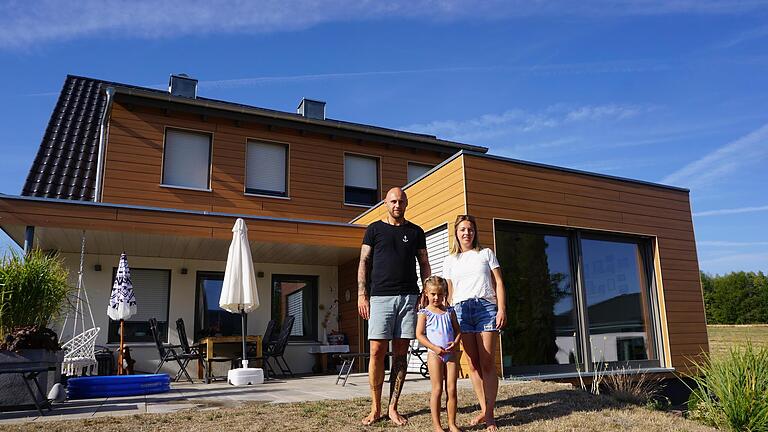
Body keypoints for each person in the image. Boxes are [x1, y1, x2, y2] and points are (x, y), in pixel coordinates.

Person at [358, 187, 430, 426]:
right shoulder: (374, 230)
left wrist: (425, 292)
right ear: (385, 204)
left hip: (409, 298)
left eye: (401, 201)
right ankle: (375, 407)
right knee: (377, 351)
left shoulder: (416, 231)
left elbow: (424, 263)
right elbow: (364, 262)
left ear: (406, 203)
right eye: (393, 201)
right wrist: (362, 294)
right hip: (380, 298)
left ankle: (393, 407)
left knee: (401, 354)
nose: (397, 205)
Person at [443, 214, 506, 432]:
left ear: (474, 232)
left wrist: (501, 309)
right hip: (461, 311)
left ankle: (489, 415)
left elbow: (498, 282)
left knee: (487, 362)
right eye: (462, 229)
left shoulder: (486, 253)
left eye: (470, 229)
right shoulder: (450, 260)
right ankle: (483, 409)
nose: (466, 233)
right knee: (473, 364)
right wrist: (446, 316)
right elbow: (449, 293)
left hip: (486, 309)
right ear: (456, 233)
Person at [416, 276, 462, 432]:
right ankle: (437, 425)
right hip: (434, 355)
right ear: (426, 293)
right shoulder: (425, 313)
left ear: (445, 294)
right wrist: (434, 348)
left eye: (440, 294)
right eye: (433, 294)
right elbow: (419, 334)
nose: (436, 297)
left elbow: (457, 330)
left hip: (451, 355)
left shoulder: (450, 311)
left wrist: (455, 342)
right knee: (437, 389)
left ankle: (452, 423)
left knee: (452, 389)